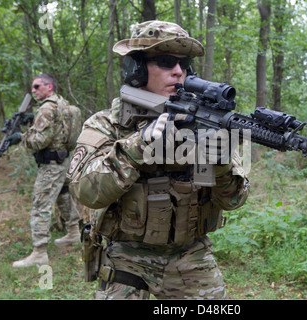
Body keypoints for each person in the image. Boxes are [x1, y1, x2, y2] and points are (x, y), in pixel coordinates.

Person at [67, 20, 249, 299]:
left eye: (184, 63)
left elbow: (233, 201)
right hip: (126, 255)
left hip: (189, 255)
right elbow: (85, 192)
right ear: (136, 70)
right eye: (165, 62)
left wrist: (221, 164)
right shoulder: (109, 124)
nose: (178, 72)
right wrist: (138, 145)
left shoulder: (203, 124)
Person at [7, 73, 81, 268]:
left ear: (49, 87)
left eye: (37, 86)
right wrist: (33, 121)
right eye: (33, 87)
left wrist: (21, 138)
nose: (33, 91)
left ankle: (39, 252)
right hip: (64, 160)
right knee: (64, 195)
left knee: (41, 204)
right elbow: (58, 129)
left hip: (51, 165)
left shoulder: (47, 108)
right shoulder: (62, 104)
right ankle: (74, 233)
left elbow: (40, 141)